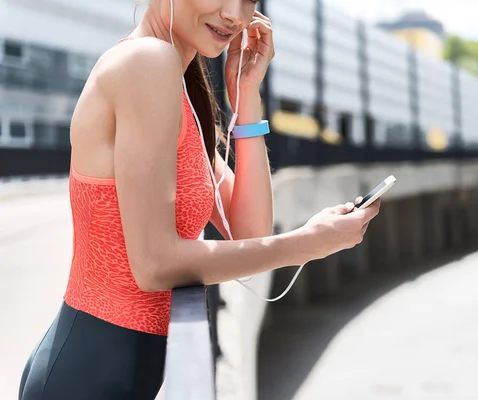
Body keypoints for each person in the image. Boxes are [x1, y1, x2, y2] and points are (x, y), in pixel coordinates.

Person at [18, 0, 381, 399]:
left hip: (109, 371)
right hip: (88, 376)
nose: (236, 15)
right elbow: (156, 265)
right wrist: (307, 244)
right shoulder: (146, 63)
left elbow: (247, 229)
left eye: (249, 0)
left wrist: (246, 95)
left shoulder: (180, 82)